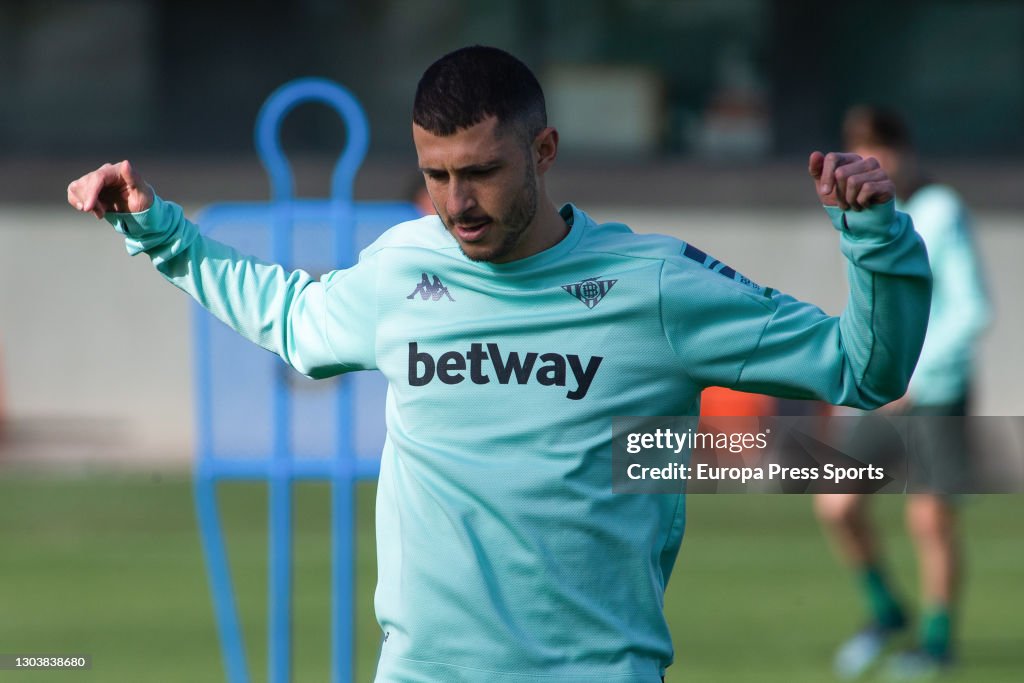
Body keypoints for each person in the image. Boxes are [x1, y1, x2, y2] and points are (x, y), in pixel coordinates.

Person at [67, 46, 931, 682]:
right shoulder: (402, 266)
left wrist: (874, 238)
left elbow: (863, 370)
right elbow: (291, 319)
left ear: (544, 151)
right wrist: (158, 231)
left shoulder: (657, 284)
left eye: (479, 172)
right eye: (436, 176)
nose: (455, 205)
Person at [815, 105, 990, 680]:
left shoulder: (940, 211)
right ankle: (887, 613)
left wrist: (913, 377)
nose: (875, 162)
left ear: (903, 152)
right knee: (836, 503)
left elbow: (970, 309)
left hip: (932, 390)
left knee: (929, 520)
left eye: (882, 150)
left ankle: (936, 644)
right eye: (863, 151)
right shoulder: (871, 215)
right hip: (884, 393)